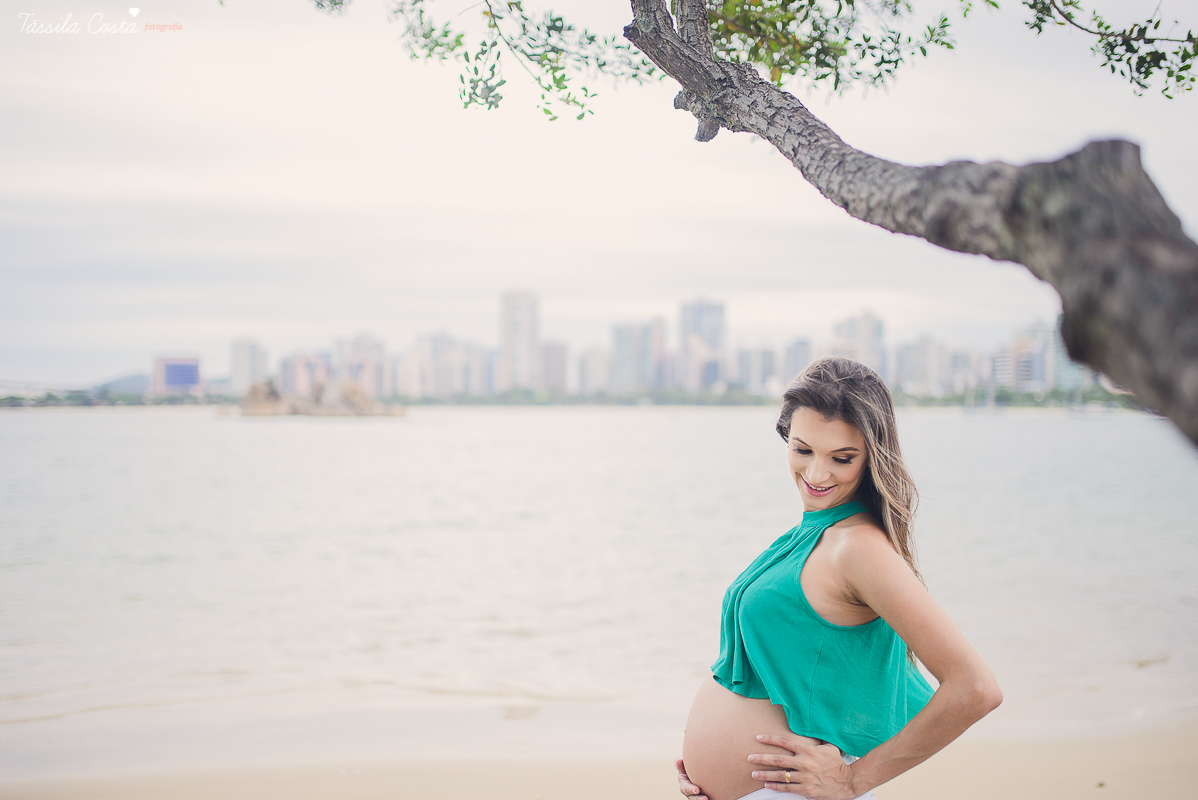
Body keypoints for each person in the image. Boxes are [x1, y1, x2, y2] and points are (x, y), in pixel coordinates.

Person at [677, 357, 1001, 800]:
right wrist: (706, 766)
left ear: (872, 457)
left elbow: (975, 688)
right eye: (802, 449)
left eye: (842, 458)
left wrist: (853, 780)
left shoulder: (859, 548)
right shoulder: (813, 535)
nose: (816, 474)